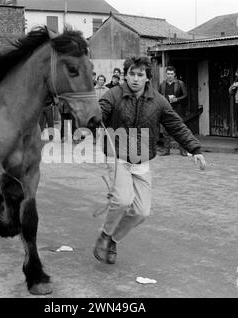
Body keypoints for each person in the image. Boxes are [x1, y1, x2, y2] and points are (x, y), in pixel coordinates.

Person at [93, 56, 206, 265]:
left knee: (141, 212)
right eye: (131, 74)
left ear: (147, 78)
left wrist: (195, 148)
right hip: (117, 156)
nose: (135, 79)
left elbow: (176, 125)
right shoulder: (114, 94)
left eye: (140, 75)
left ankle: (113, 240)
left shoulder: (158, 101)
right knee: (123, 199)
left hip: (142, 160)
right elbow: (102, 109)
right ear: (125, 75)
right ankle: (105, 235)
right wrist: (94, 114)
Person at [158, 66, 188, 156]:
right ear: (166, 74)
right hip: (166, 110)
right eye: (168, 74)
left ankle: (182, 150)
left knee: (179, 129)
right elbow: (158, 96)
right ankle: (166, 150)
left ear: (174, 74)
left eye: (171, 74)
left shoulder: (180, 83)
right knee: (165, 131)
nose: (170, 75)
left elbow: (185, 95)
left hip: (177, 109)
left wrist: (177, 99)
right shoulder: (162, 84)